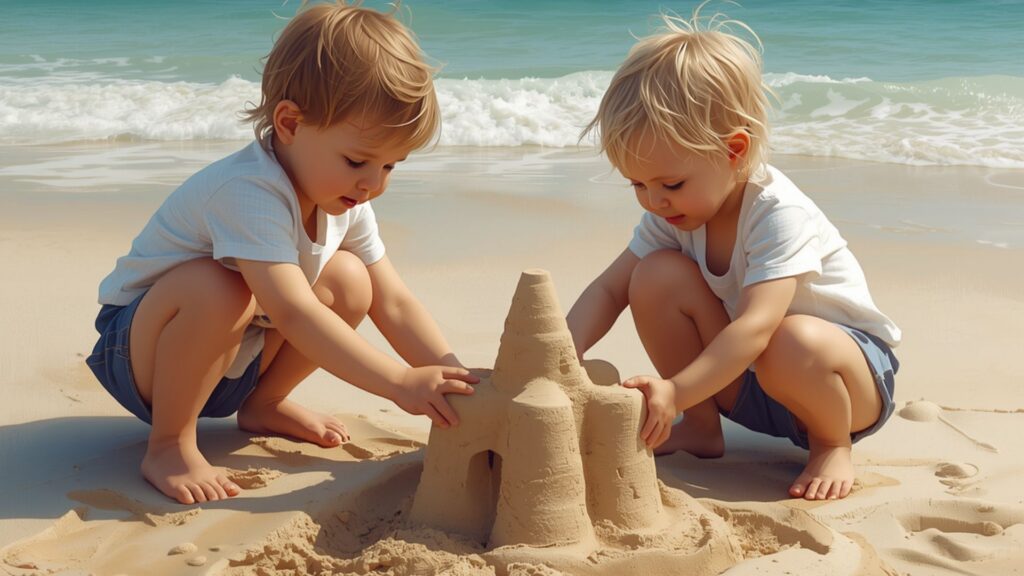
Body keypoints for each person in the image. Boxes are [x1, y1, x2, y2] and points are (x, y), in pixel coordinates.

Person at [86, 2, 478, 505]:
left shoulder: (345, 195)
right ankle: (169, 445)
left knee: (351, 279)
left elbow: (393, 301)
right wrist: (399, 382)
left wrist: (455, 376)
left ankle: (263, 404)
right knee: (222, 287)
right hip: (142, 358)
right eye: (359, 160)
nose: (373, 183)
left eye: (391, 166)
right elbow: (292, 311)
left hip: (233, 365)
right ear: (289, 123)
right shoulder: (249, 189)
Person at [567, 7, 900, 501]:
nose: (654, 201)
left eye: (671, 183)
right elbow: (610, 288)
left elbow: (755, 328)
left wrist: (675, 390)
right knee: (652, 276)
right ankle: (702, 430)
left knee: (787, 338)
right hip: (751, 385)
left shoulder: (777, 212)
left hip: (847, 386)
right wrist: (556, 354)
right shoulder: (672, 215)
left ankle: (831, 446)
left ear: (735, 151)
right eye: (637, 184)